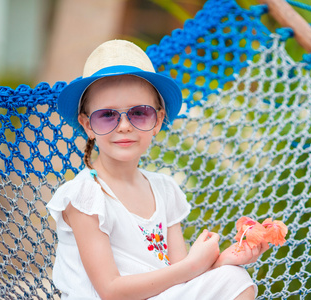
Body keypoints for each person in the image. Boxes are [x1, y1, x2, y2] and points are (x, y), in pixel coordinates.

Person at [47, 39, 269, 300]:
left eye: (139, 113)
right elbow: (110, 290)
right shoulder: (85, 196)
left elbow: (181, 277)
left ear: (158, 120)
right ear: (87, 125)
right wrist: (194, 265)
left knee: (235, 278)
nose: (124, 126)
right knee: (233, 279)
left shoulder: (164, 189)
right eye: (107, 115)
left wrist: (221, 261)